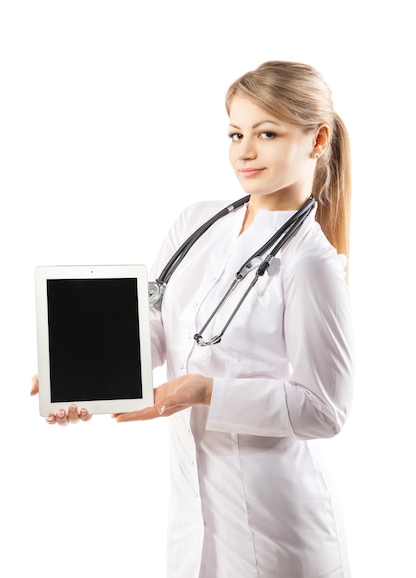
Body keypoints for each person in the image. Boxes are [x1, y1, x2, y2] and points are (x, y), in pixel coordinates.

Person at [31, 60, 355, 577]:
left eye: (267, 133)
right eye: (235, 133)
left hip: (277, 527)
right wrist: (82, 376)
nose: (244, 151)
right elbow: (157, 331)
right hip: (193, 515)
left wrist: (206, 390)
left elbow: (325, 411)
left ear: (316, 140)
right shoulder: (196, 224)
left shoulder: (311, 263)